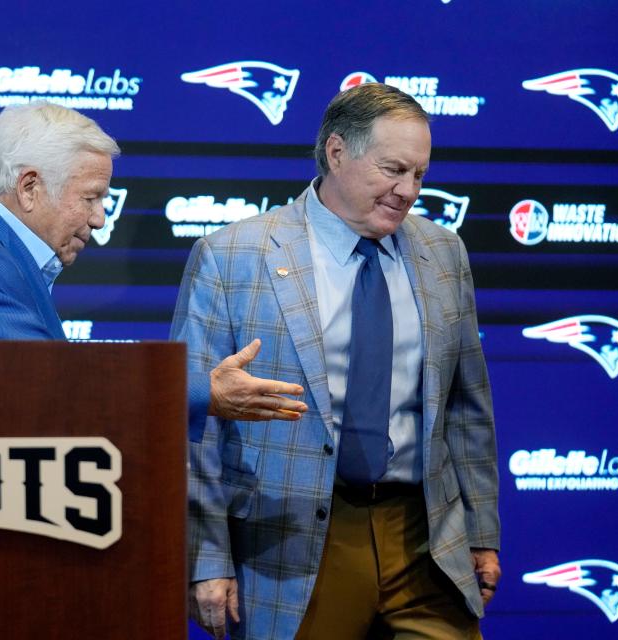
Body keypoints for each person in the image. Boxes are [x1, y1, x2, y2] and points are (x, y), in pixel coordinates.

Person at [172, 83, 500, 639]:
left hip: (426, 537)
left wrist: (481, 532)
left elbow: (467, 407)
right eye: (393, 169)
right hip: (293, 539)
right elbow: (195, 425)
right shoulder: (232, 256)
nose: (407, 191)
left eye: (419, 175)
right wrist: (207, 558)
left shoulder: (445, 253)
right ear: (337, 152)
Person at [0, 102, 308, 434]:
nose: (98, 219)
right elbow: (54, 385)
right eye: (91, 198)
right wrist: (205, 390)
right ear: (29, 187)